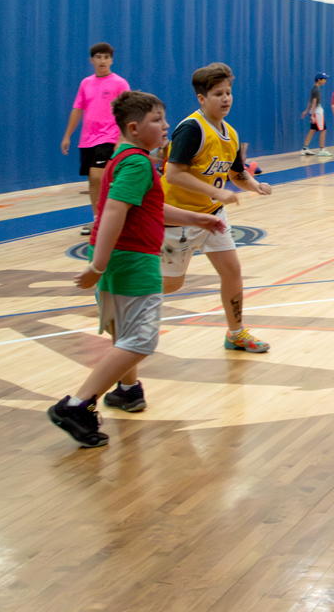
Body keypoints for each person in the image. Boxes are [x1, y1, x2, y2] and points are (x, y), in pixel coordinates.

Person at [47, 91, 226, 446]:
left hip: (119, 259)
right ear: (133, 128)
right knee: (141, 340)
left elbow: (146, 207)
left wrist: (196, 218)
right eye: (157, 120)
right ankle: (76, 405)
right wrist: (98, 265)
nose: (166, 126)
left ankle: (127, 390)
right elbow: (114, 210)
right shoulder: (138, 164)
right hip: (132, 260)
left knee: (124, 334)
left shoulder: (124, 158)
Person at [162, 63, 273, 353]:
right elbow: (172, 174)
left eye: (228, 92)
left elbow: (237, 173)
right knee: (171, 284)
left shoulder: (231, 134)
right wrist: (216, 192)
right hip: (178, 219)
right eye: (218, 94)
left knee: (232, 272)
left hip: (212, 216)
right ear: (201, 98)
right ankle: (117, 291)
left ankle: (235, 333)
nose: (226, 99)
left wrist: (255, 185)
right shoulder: (191, 129)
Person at [60, 42, 130, 236]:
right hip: (87, 140)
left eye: (106, 57)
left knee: (98, 176)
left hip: (109, 138)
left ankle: (112, 219)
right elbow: (77, 109)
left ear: (111, 60)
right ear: (92, 60)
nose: (102, 61)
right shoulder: (86, 83)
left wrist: (121, 139)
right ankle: (98, 219)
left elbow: (127, 112)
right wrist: (67, 136)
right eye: (99, 57)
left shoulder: (120, 83)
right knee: (93, 181)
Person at [301, 72, 331, 156]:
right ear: (319, 80)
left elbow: (310, 101)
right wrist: (313, 116)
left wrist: (307, 111)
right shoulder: (316, 89)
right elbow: (313, 102)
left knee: (313, 130)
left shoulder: (314, 88)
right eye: (324, 79)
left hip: (315, 112)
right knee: (323, 130)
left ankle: (305, 149)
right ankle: (322, 149)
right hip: (317, 113)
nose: (325, 80)